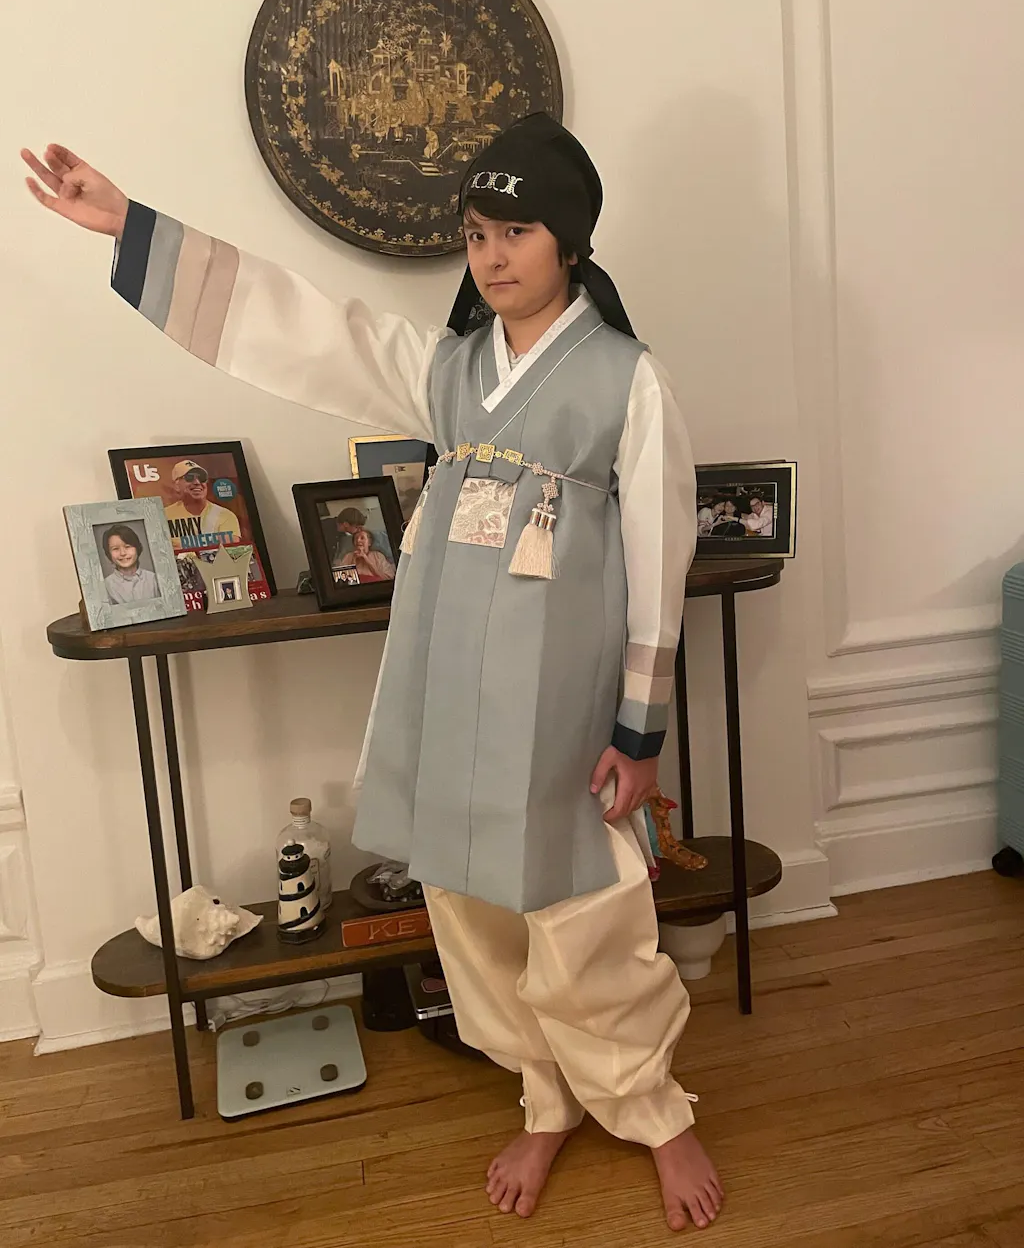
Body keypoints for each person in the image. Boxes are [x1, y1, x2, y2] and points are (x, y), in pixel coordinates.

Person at [22, 117, 722, 1233]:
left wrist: (638, 733)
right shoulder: (446, 370)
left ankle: (649, 1105)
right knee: (468, 909)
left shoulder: (627, 382)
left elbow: (659, 553)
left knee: (583, 910)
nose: (492, 256)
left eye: (516, 231)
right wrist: (131, 229)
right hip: (446, 691)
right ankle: (546, 1098)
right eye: (476, 234)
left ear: (569, 239)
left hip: (561, 702)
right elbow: (306, 327)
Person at [162, 459, 241, 550]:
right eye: (190, 477)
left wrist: (183, 546)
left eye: (202, 478)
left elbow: (232, 550)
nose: (197, 482)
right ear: (176, 485)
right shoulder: (164, 516)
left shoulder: (225, 515)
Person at [101, 524, 160, 605]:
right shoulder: (105, 586)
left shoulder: (154, 579)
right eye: (115, 549)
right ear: (108, 553)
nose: (123, 553)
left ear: (137, 548)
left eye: (127, 546)